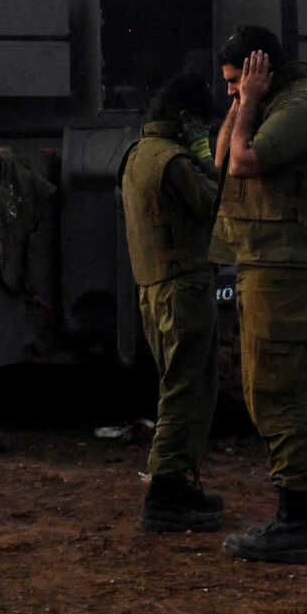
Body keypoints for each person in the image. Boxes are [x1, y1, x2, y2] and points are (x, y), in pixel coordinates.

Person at [209, 25, 307, 564]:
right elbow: (220, 156)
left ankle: (300, 517)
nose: (233, 92)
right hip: (263, 265)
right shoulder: (261, 105)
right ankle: (298, 513)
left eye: (238, 80)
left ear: (263, 70)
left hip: (285, 269)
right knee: (263, 391)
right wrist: (243, 102)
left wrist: (252, 102)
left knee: (280, 396)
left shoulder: (299, 111)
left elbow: (243, 163)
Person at [120, 69, 224, 533]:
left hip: (156, 289)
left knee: (179, 386)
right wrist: (206, 152)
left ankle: (179, 484)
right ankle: (164, 491)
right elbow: (218, 202)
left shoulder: (139, 153)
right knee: (186, 391)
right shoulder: (175, 161)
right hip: (184, 289)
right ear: (185, 119)